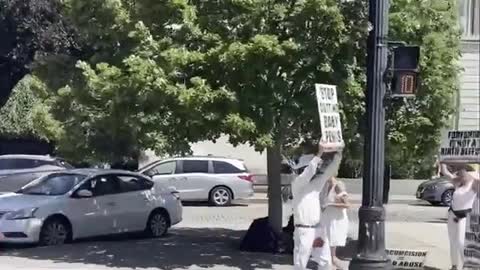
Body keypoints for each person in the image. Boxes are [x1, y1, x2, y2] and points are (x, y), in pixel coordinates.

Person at [291, 143, 343, 270]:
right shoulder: (297, 184)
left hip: (318, 229)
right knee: (300, 264)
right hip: (303, 231)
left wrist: (338, 154)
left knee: (325, 262)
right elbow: (308, 173)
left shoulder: (316, 185)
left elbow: (329, 171)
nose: (316, 170)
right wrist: (319, 154)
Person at [441, 163, 480, 270]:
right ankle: (454, 266)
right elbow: (445, 172)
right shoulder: (457, 181)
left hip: (464, 216)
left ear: (468, 172)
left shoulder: (475, 183)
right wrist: (442, 161)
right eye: (458, 172)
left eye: (462, 171)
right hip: (452, 214)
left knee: (461, 242)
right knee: (452, 241)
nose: (459, 173)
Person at [314, 177, 350, 270]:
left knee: (331, 251)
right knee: (327, 249)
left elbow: (347, 205)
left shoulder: (338, 186)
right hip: (327, 221)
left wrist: (330, 205)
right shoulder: (326, 186)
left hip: (336, 222)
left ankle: (341, 267)